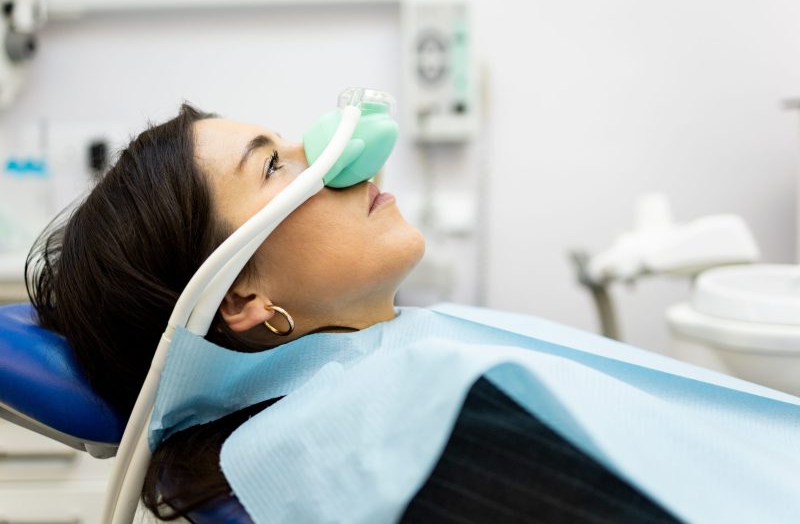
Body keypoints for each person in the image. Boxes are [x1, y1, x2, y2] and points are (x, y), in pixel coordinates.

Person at [26, 103, 681, 522]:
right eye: (276, 164)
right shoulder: (383, 447)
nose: (337, 156)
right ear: (241, 298)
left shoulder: (404, 372)